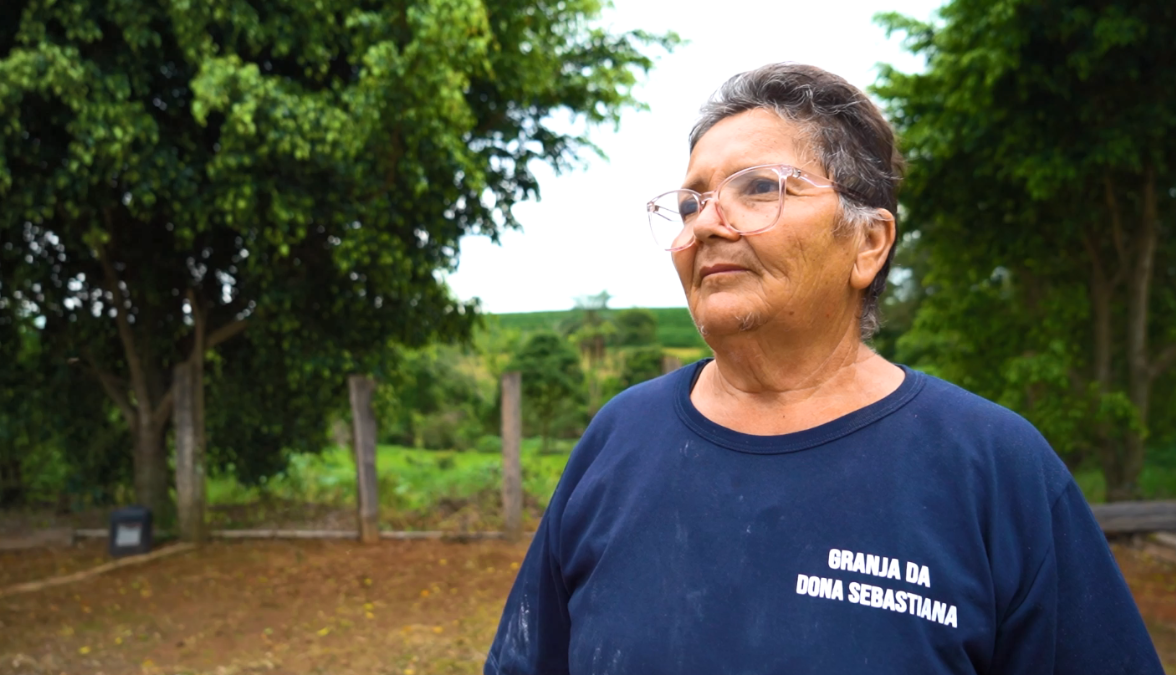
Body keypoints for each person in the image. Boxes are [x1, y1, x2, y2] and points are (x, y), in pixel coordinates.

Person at [484, 63, 1162, 674]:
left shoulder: (994, 468)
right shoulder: (618, 440)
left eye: (757, 188)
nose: (706, 225)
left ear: (868, 243)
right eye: (690, 202)